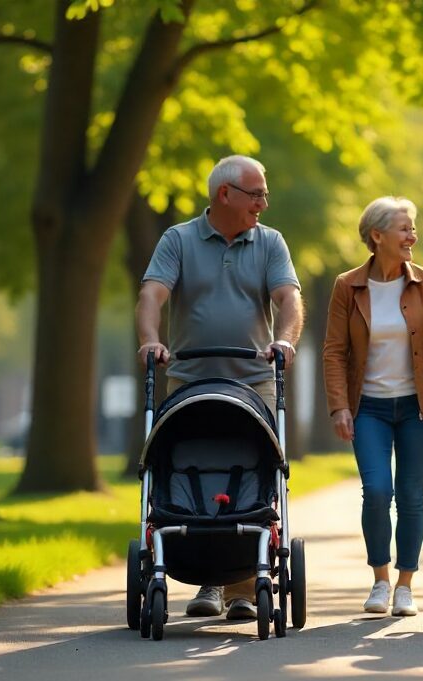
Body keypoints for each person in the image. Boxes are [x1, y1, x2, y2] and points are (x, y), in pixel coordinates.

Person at [135, 154, 303, 622]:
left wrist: (285, 339)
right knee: (192, 471)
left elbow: (289, 297)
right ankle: (207, 579)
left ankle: (244, 584)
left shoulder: (270, 243)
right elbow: (152, 293)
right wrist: (151, 340)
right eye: (256, 194)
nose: (264, 204)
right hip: (191, 381)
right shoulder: (180, 240)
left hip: (253, 381)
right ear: (224, 194)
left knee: (254, 473)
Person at [322, 197, 423, 617]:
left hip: (418, 408)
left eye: (413, 228)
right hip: (369, 408)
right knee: (377, 491)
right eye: (404, 229)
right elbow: (334, 351)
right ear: (377, 236)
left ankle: (405, 585)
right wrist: (339, 406)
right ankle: (379, 579)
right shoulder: (348, 285)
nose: (413, 236)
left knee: (411, 495)